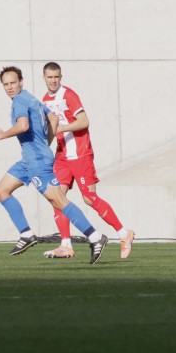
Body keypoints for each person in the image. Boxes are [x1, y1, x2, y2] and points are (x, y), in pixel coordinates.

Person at [0, 67, 108, 265]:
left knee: (58, 201)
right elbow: (53, 118)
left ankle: (95, 237)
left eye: (13, 83)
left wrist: (2, 135)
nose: (10, 87)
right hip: (28, 161)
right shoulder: (32, 99)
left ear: (21, 82)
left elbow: (23, 125)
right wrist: (46, 143)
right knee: (2, 191)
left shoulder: (19, 101)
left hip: (37, 162)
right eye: (6, 84)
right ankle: (26, 234)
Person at [40, 62, 136, 259]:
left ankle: (123, 233)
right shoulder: (44, 100)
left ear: (60, 77)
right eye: (50, 77)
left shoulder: (68, 95)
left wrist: (61, 128)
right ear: (44, 78)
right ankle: (66, 245)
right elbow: (51, 130)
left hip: (81, 154)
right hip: (62, 157)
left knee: (89, 198)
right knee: (57, 198)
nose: (53, 81)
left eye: (56, 77)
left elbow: (84, 121)